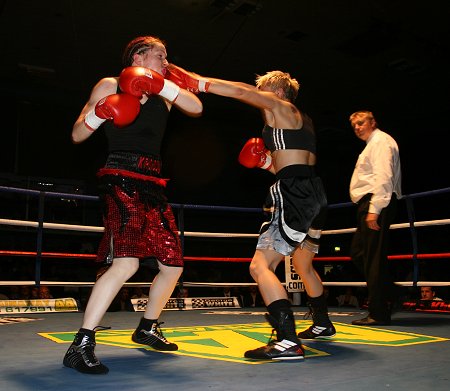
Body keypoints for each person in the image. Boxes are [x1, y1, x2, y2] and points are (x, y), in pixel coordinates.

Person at [166, 66, 335, 360]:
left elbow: (240, 91)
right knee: (303, 264)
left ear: (279, 92)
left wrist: (198, 82)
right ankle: (322, 323)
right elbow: (290, 163)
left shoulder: (281, 106)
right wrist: (263, 163)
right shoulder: (301, 121)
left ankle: (287, 341)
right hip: (314, 193)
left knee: (260, 267)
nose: (260, 95)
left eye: (264, 90)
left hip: (295, 194)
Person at [63, 36, 202, 375]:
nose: (166, 61)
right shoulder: (109, 84)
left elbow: (196, 107)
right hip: (120, 176)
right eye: (160, 55)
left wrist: (162, 84)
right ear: (139, 55)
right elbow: (78, 135)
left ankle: (147, 327)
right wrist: (99, 114)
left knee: (173, 265)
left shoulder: (164, 90)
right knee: (126, 265)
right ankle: (81, 344)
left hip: (153, 183)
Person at [349, 110, 401, 326]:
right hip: (370, 202)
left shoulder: (380, 141)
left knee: (373, 258)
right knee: (359, 253)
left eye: (361, 123)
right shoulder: (373, 144)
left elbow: (383, 176)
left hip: (375, 202)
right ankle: (391, 293)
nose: (358, 128)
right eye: (354, 126)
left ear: (372, 122)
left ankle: (379, 312)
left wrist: (375, 208)